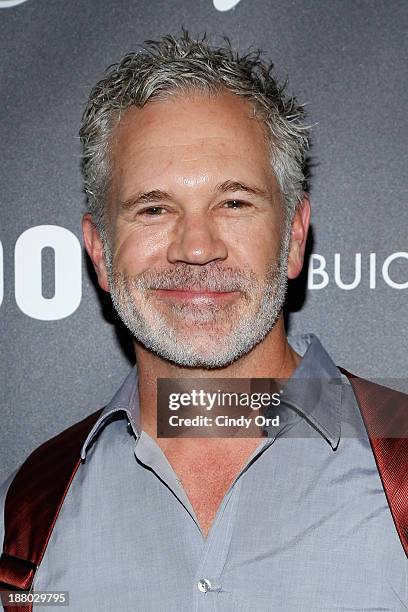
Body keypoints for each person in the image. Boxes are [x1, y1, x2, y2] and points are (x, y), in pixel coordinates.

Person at [1, 32, 407, 611]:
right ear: (100, 253)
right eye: (154, 208)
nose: (196, 248)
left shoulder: (403, 474)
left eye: (234, 203)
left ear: (293, 237)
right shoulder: (26, 516)